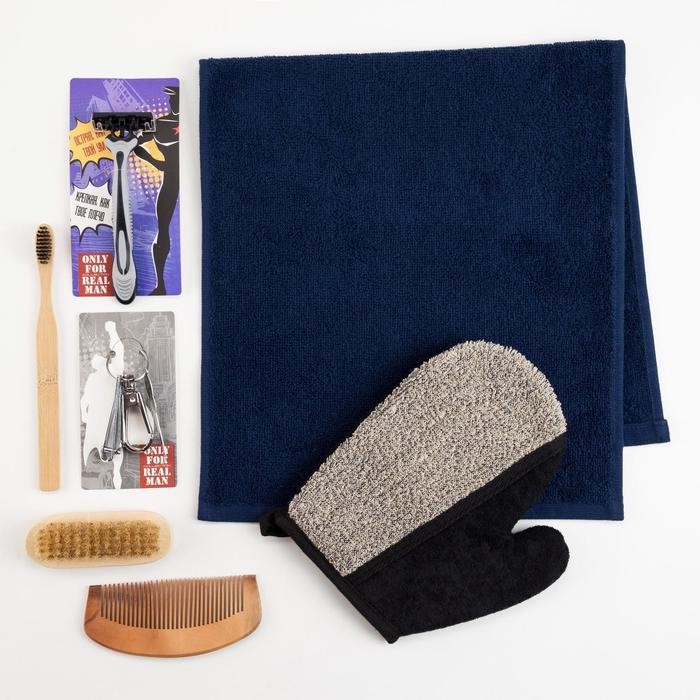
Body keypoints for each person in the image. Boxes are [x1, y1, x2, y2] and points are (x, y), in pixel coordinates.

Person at [134, 85, 180, 295]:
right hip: (170, 183)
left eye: (175, 97)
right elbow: (135, 144)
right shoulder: (160, 124)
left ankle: (162, 285)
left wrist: (153, 160)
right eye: (171, 98)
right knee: (163, 230)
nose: (172, 101)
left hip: (187, 182)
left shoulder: (193, 121)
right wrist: (154, 161)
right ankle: (160, 285)